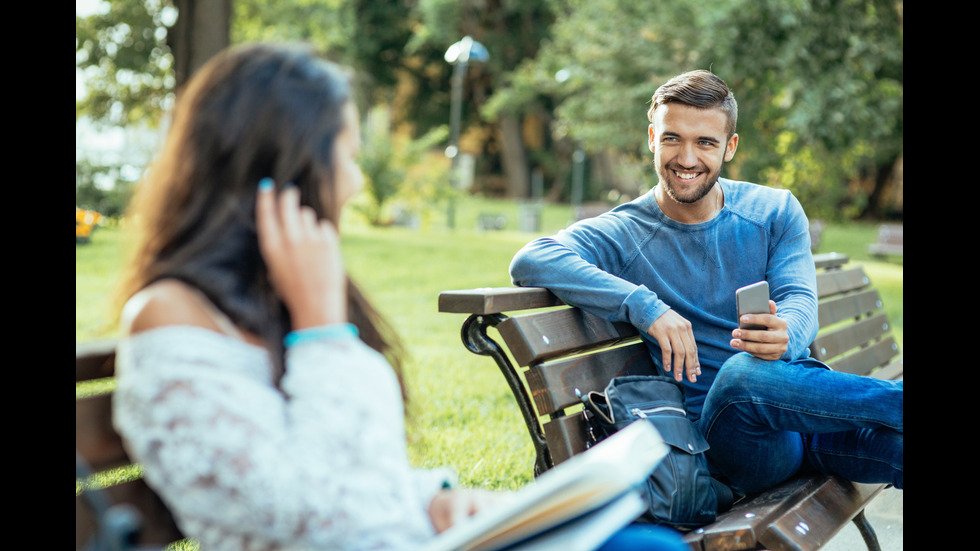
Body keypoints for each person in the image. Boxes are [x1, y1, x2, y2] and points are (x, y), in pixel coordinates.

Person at [112, 42, 690, 551]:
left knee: (646, 543)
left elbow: (356, 475)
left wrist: (437, 500)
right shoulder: (171, 317)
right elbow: (294, 510)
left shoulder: (283, 296)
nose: (357, 182)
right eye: (347, 156)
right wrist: (319, 329)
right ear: (286, 170)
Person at [509, 69, 903, 497]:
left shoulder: (774, 211)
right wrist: (645, 306)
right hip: (731, 446)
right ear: (651, 138)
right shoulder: (627, 232)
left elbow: (799, 299)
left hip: (802, 420)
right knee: (741, 377)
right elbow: (532, 258)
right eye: (673, 138)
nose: (687, 158)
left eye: (706, 142)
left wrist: (786, 334)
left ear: (730, 147)